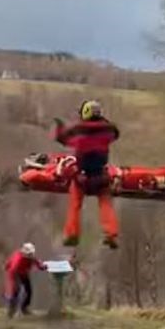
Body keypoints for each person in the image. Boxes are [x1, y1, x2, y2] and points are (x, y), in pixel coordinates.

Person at [54, 100, 120, 249]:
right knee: (105, 203)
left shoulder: (78, 130)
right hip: (101, 176)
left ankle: (72, 234)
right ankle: (111, 233)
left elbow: (62, 139)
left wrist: (60, 126)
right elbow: (116, 133)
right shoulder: (108, 130)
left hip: (81, 177)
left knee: (75, 204)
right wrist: (103, 122)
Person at [4, 242, 47, 318]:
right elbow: (12, 266)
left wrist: (42, 267)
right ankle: (11, 312)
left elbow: (36, 262)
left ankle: (24, 308)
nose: (30, 256)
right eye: (29, 254)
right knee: (15, 292)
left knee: (28, 291)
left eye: (31, 254)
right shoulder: (19, 259)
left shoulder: (31, 257)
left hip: (24, 274)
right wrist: (13, 280)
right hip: (15, 274)